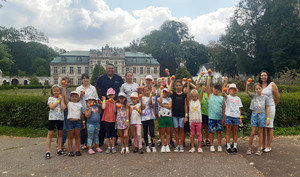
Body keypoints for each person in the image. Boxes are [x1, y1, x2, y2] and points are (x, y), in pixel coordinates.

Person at [97, 64, 124, 146]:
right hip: (104, 103)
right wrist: (100, 99)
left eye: (112, 68)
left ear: (114, 69)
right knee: (103, 122)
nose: (110, 70)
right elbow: (97, 89)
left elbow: (121, 89)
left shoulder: (118, 78)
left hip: (115, 103)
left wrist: (118, 99)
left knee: (114, 121)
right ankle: (101, 140)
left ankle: (114, 139)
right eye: (109, 68)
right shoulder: (101, 78)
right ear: (106, 69)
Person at [246, 81, 271, 156]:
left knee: (260, 133)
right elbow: (247, 91)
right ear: (255, 90)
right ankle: (249, 148)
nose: (258, 90)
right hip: (254, 114)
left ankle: (259, 149)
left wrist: (268, 118)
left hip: (262, 115)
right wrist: (247, 85)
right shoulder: (254, 96)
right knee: (253, 132)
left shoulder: (266, 97)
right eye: (256, 89)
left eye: (259, 88)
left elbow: (267, 108)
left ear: (262, 89)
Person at [76, 73, 99, 150]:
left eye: (86, 78)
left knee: (91, 126)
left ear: (89, 79)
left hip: (91, 109)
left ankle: (91, 143)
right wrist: (81, 96)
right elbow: (76, 100)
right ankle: (84, 143)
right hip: (82, 109)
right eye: (83, 78)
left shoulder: (92, 88)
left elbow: (96, 98)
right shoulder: (79, 89)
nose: (85, 80)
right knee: (84, 126)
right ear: (81, 80)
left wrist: (97, 106)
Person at [259, 70, 280, 153]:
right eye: (262, 75)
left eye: (265, 75)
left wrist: (273, 105)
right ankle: (263, 145)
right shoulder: (259, 85)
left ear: (267, 76)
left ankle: (268, 146)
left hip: (270, 108)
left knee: (269, 127)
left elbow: (277, 97)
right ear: (260, 77)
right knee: (262, 127)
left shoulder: (272, 84)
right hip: (261, 109)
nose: (263, 77)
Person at [45, 85, 66, 159]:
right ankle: (48, 151)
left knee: (60, 133)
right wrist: (58, 101)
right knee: (50, 134)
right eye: (54, 91)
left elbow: (63, 108)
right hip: (52, 118)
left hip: (60, 118)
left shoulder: (61, 98)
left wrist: (61, 100)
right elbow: (52, 107)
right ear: (52, 92)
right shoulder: (50, 98)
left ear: (60, 91)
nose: (56, 92)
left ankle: (59, 149)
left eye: (57, 90)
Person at [168, 77, 187, 152]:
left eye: (180, 85)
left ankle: (181, 145)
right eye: (177, 85)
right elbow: (168, 90)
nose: (178, 87)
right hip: (175, 115)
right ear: (175, 86)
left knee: (181, 130)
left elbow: (185, 105)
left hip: (182, 115)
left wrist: (186, 115)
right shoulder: (174, 94)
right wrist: (172, 82)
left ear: (182, 86)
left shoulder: (184, 95)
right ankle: (177, 145)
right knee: (176, 130)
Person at [62, 90, 84, 157]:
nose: (74, 98)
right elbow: (65, 96)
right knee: (70, 137)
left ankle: (77, 150)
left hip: (78, 121)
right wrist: (64, 87)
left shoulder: (80, 104)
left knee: (77, 136)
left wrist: (83, 122)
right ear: (70, 97)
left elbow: (81, 115)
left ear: (78, 98)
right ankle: (71, 150)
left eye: (76, 97)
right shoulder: (69, 103)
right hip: (70, 121)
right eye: (73, 96)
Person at [206, 72, 224, 152]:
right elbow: (207, 86)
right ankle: (212, 145)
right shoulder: (210, 95)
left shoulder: (221, 98)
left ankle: (219, 145)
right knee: (211, 132)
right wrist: (209, 77)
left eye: (218, 89)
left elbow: (224, 109)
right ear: (213, 89)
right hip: (211, 117)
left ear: (219, 90)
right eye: (215, 88)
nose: (216, 90)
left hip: (219, 118)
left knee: (219, 132)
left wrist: (223, 118)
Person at [222, 83, 243, 155]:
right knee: (228, 132)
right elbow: (223, 94)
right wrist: (224, 90)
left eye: (234, 89)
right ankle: (228, 147)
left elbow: (239, 109)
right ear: (229, 90)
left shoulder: (238, 98)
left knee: (235, 132)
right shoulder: (227, 97)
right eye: (231, 89)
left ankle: (235, 147)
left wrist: (240, 118)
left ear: (236, 91)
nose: (232, 91)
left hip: (236, 116)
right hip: (229, 116)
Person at [120, 71, 139, 146]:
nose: (129, 77)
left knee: (136, 122)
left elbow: (139, 93)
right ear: (126, 77)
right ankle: (129, 139)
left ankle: (137, 138)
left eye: (131, 75)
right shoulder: (123, 86)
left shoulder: (136, 85)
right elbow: (121, 95)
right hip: (127, 105)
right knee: (128, 122)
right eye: (128, 76)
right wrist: (125, 103)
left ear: (132, 76)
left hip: (135, 105)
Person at [186, 82, 204, 153]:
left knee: (199, 134)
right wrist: (188, 84)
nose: (194, 98)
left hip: (198, 121)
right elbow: (187, 93)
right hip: (192, 121)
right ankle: (193, 147)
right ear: (191, 96)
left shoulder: (199, 101)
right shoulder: (190, 101)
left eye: (195, 96)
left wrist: (203, 85)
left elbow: (202, 92)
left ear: (197, 96)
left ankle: (199, 147)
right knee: (192, 134)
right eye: (193, 96)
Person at [141, 85, 157, 153]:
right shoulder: (142, 98)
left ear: (150, 91)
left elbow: (150, 103)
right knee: (145, 132)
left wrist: (151, 95)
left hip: (150, 117)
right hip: (144, 117)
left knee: (152, 132)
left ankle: (153, 146)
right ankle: (147, 146)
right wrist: (141, 100)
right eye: (145, 91)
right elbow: (142, 107)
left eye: (147, 90)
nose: (146, 92)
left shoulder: (153, 97)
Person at [101, 88, 117, 154]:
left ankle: (113, 146)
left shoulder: (115, 102)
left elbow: (115, 111)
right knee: (108, 134)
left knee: (113, 134)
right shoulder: (106, 102)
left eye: (111, 95)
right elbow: (103, 107)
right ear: (107, 96)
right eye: (109, 95)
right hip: (107, 119)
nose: (110, 96)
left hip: (113, 120)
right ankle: (108, 146)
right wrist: (104, 100)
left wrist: (114, 104)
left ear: (114, 95)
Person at [196, 75, 210, 147]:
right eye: (203, 87)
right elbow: (197, 84)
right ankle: (201, 139)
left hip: (208, 113)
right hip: (201, 113)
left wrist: (206, 83)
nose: (204, 88)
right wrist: (200, 77)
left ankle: (207, 139)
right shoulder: (199, 93)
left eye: (205, 87)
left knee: (207, 127)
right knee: (201, 127)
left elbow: (208, 85)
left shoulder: (208, 94)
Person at [58, 76, 71, 151]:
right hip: (59, 111)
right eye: (65, 81)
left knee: (66, 128)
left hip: (66, 111)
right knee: (61, 128)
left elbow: (69, 101)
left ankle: (62, 143)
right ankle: (59, 144)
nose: (66, 83)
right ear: (62, 81)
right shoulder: (58, 89)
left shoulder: (69, 91)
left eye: (68, 82)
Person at [158, 87, 173, 153]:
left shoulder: (169, 99)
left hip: (169, 116)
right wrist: (161, 93)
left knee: (168, 132)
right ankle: (163, 145)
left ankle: (167, 145)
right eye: (164, 92)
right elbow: (160, 102)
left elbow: (170, 106)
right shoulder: (159, 98)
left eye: (166, 92)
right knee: (162, 132)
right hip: (162, 117)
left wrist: (163, 105)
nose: (165, 93)